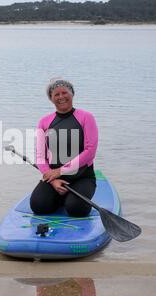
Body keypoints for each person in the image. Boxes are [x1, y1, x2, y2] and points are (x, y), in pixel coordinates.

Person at [30, 78, 99, 217]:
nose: (61, 97)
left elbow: (90, 151)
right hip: (53, 178)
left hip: (82, 177)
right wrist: (53, 179)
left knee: (76, 209)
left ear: (72, 94)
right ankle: (61, 197)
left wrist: (60, 171)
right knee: (39, 206)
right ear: (51, 98)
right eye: (56, 94)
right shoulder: (44, 122)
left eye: (64, 92)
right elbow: (40, 156)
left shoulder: (86, 117)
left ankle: (72, 200)